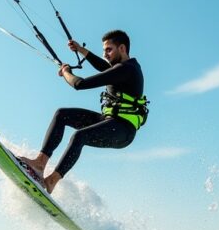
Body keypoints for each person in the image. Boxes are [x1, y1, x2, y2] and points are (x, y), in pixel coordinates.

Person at [18, 29, 148, 193]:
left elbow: (80, 84)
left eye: (109, 49)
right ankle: (39, 163)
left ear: (122, 48)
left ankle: (51, 182)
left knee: (80, 136)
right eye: (104, 50)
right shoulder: (121, 68)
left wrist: (66, 73)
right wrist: (80, 49)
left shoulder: (128, 69)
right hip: (109, 121)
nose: (105, 54)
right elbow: (102, 66)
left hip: (123, 131)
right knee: (62, 114)